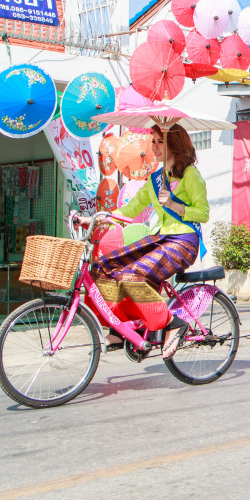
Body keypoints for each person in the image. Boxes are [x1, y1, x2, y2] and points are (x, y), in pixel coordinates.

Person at [80, 125, 209, 359]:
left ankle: (172, 323)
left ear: (174, 144)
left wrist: (175, 205)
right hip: (160, 239)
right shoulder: (155, 179)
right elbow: (130, 210)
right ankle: (121, 327)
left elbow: (203, 213)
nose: (155, 146)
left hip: (183, 242)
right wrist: (96, 219)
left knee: (132, 276)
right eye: (153, 142)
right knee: (102, 267)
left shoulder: (190, 175)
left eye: (160, 141)